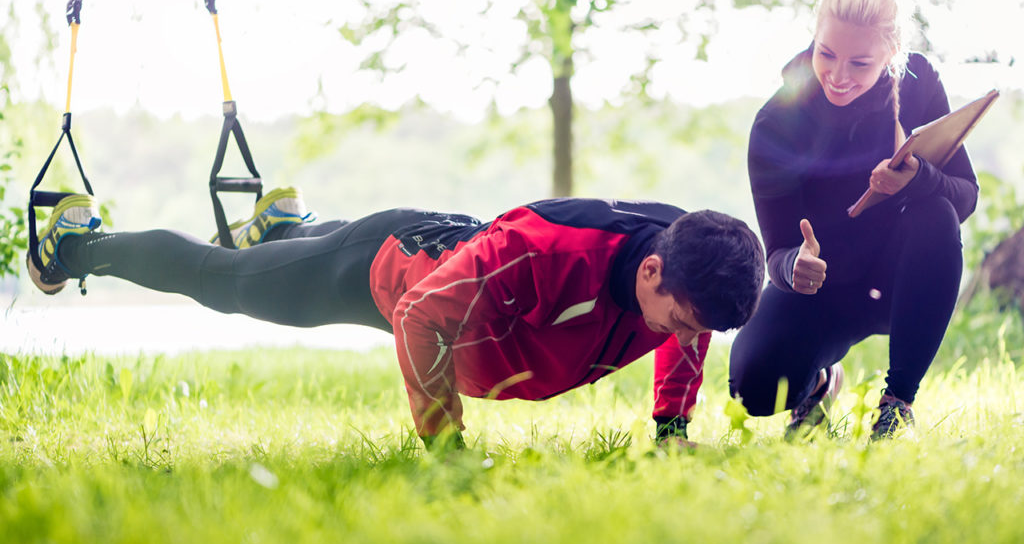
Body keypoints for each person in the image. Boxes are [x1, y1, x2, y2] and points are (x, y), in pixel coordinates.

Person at [28, 188, 765, 449]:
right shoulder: (547, 253)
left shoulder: (684, 265)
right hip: (385, 271)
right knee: (224, 281)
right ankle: (76, 242)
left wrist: (671, 431)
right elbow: (419, 316)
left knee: (295, 254)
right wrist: (445, 448)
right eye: (684, 321)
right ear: (650, 271)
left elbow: (688, 335)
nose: (684, 340)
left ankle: (283, 222)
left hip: (445, 247)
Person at [729, 0, 978, 440]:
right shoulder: (777, 120)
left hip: (900, 280)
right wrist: (793, 267)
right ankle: (818, 386)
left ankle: (897, 403)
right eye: (826, 54)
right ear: (814, 38)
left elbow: (965, 195)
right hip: (822, 287)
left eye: (860, 63)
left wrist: (918, 176)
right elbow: (778, 249)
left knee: (935, 211)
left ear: (892, 55)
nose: (838, 76)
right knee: (753, 388)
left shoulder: (919, 84)